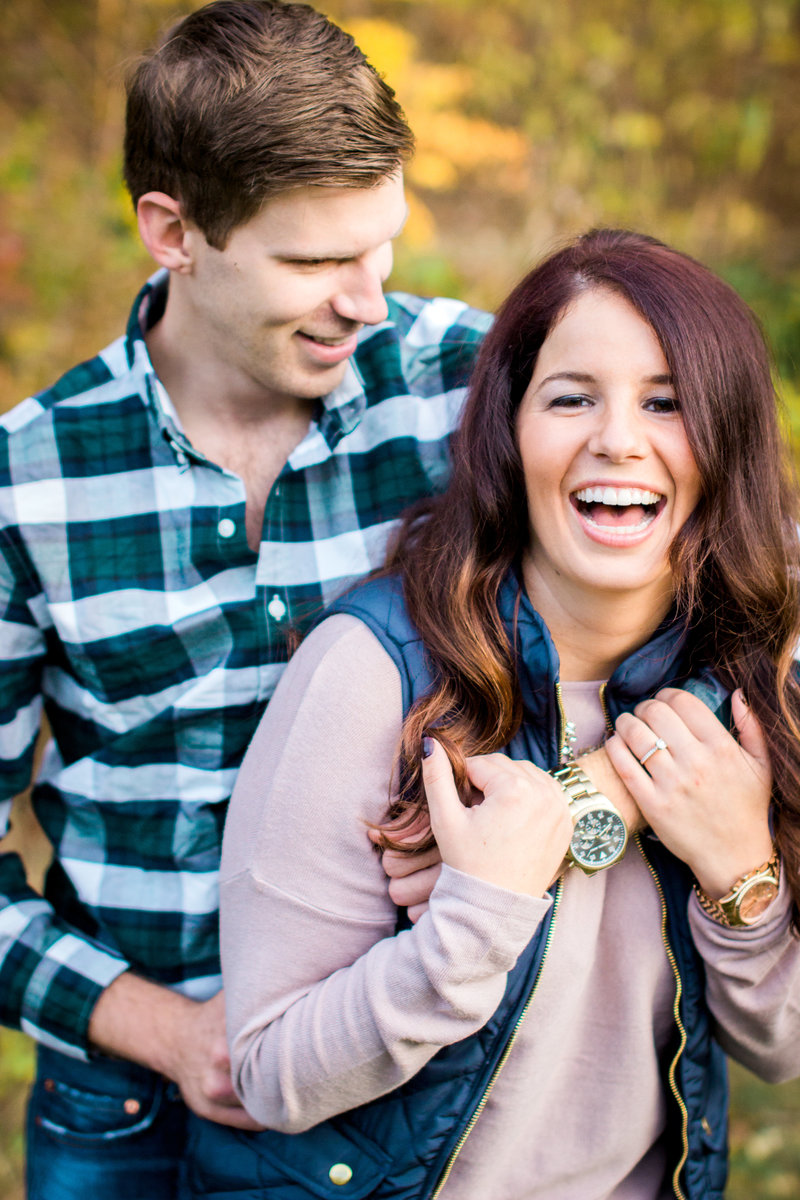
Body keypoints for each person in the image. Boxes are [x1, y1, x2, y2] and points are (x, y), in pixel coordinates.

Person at [0, 2, 496, 1196]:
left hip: (411, 1081)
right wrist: (162, 1029)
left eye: (379, 246)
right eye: (315, 261)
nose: (366, 299)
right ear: (173, 231)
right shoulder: (31, 482)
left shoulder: (467, 387)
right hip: (134, 1109)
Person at [202, 229, 800, 1200]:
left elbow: (778, 1050)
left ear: (724, 436)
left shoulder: (743, 686)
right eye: (570, 398)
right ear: (507, 433)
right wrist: (473, 920)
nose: (616, 438)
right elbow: (272, 1077)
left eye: (666, 401)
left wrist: (740, 873)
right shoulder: (374, 671)